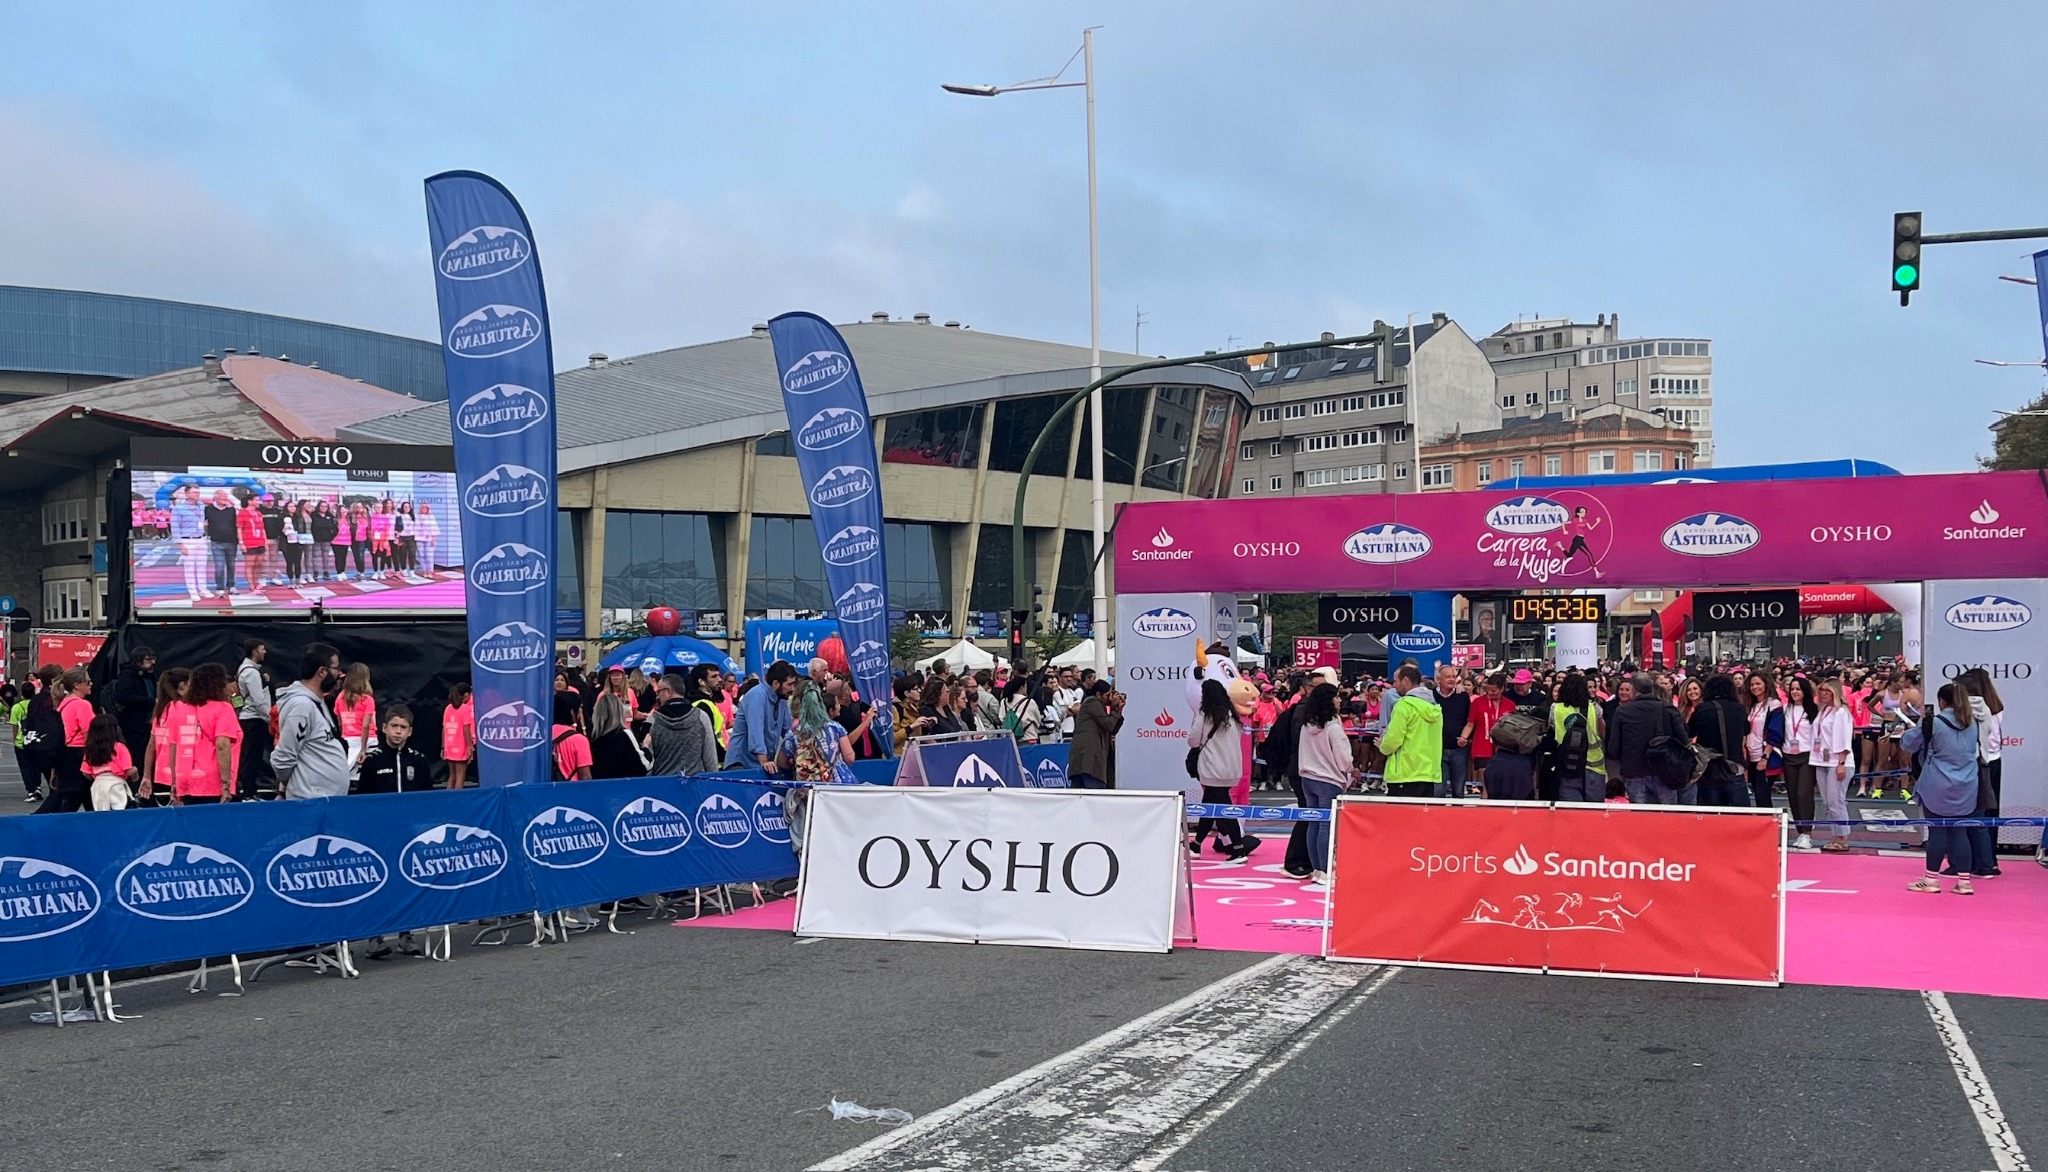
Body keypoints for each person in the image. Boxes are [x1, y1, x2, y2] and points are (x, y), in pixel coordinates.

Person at [1902, 682, 1982, 895]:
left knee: (1937, 830)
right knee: (1960, 831)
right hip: (1967, 783)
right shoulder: (1973, 723)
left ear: (1942, 701)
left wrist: (1917, 727)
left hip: (1937, 782)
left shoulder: (1933, 723)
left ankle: (1931, 879)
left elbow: (1907, 744)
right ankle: (1964, 882)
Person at [1186, 679, 1256, 860]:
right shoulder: (1232, 715)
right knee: (1211, 806)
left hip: (1212, 767)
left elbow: (1193, 740)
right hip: (1232, 768)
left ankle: (1238, 848)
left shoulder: (1205, 714)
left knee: (1223, 808)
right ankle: (1196, 844)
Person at [271, 644, 350, 799]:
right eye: (336, 668)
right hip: (311, 803)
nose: (340, 674)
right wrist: (292, 786)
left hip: (325, 802)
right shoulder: (301, 706)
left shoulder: (317, 702)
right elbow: (284, 756)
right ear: (322, 671)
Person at [1294, 682, 1353, 884]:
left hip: (1308, 778)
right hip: (1329, 780)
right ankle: (1326, 870)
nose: (1339, 700)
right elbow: (1343, 758)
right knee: (1327, 827)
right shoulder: (1333, 728)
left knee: (1314, 824)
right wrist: (1351, 769)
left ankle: (1318, 869)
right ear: (1328, 701)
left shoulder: (1306, 725)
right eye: (1336, 697)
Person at [1606, 673, 1693, 805]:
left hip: (1635, 772)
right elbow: (1684, 740)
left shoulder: (1623, 711)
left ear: (1633, 689)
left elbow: (1613, 749)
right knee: (1667, 818)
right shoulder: (1668, 709)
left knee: (1641, 819)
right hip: (1665, 771)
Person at [1956, 667, 2005, 879]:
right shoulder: (1995, 707)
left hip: (1981, 761)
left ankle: (1980, 860)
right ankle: (1988, 859)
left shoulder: (1980, 710)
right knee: (1988, 812)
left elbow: (1988, 739)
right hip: (1993, 760)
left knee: (1977, 812)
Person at [170, 662, 242, 806]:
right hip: (212, 781)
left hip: (184, 779)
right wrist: (226, 784)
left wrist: (174, 782)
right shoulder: (223, 709)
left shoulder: (179, 709)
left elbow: (173, 746)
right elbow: (222, 745)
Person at [1377, 664, 1443, 798]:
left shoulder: (1403, 706)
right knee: (1422, 818)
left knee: (1400, 818)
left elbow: (1393, 740)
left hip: (1404, 774)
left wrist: (1382, 746)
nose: (1394, 686)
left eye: (1395, 681)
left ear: (1406, 680)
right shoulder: (1435, 708)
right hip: (1428, 774)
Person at [1688, 674, 1751, 807]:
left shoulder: (1702, 709)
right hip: (1734, 764)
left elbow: (1689, 733)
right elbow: (1746, 731)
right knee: (1740, 812)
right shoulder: (1739, 709)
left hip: (1710, 766)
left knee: (1711, 811)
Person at [725, 660, 796, 773]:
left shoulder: (782, 699)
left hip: (761, 763)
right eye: (790, 684)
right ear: (776, 684)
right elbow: (755, 731)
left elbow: (789, 732)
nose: (793, 689)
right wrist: (764, 761)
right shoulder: (757, 696)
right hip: (741, 764)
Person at [1810, 680, 1856, 853]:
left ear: (1835, 692)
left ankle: (1842, 837)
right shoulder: (1824, 710)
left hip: (1837, 761)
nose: (1823, 694)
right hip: (1821, 759)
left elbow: (1844, 738)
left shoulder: (1842, 712)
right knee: (1828, 802)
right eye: (1821, 690)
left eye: (1827, 691)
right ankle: (1835, 835)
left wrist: (1841, 763)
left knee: (1836, 800)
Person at [1548, 671, 1605, 802]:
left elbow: (1552, 728)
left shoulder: (1555, 709)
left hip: (1567, 762)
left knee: (1571, 811)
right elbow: (1602, 732)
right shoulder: (1594, 707)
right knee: (1594, 811)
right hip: (1593, 765)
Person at [649, 672, 719, 775]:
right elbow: (710, 757)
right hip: (695, 784)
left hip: (663, 785)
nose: (657, 697)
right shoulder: (701, 717)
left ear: (668, 691)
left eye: (658, 692)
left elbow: (649, 761)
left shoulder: (653, 721)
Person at [139, 666, 190, 805]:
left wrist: (147, 776)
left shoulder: (161, 710)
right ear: (183, 685)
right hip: (180, 774)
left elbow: (151, 746)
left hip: (160, 774)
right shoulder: (182, 708)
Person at [590, 666, 648, 778]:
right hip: (607, 734)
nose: (615, 677)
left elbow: (634, 714)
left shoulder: (630, 693)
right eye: (613, 675)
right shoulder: (603, 695)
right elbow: (597, 715)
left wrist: (645, 716)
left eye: (618, 674)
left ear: (623, 676)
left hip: (626, 734)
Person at [357, 706, 432, 793]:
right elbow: (363, 797)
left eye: (403, 727)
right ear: (385, 728)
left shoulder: (419, 761)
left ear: (410, 731)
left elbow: (428, 797)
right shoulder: (372, 761)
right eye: (394, 726)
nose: (398, 731)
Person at [1781, 677, 1819, 845]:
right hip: (1788, 755)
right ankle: (1799, 831)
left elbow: (1818, 735)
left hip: (1807, 756)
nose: (1795, 692)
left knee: (1804, 794)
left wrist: (1819, 755)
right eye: (1792, 689)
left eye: (1798, 689)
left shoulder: (1813, 710)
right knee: (1793, 795)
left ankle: (1807, 832)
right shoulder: (1785, 709)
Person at [1742, 669, 1785, 810]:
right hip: (1751, 755)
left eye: (1758, 684)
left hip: (1767, 756)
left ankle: (1768, 826)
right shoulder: (1752, 706)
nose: (1755, 687)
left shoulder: (1774, 704)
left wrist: (1765, 757)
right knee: (1758, 794)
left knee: (1762, 795)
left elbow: (1775, 732)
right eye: (1752, 684)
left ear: (1766, 684)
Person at [1069, 680, 1124, 789]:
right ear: (1098, 694)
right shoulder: (1092, 702)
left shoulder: (1099, 705)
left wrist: (1119, 710)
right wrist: (1113, 708)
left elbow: (1112, 730)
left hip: (1089, 758)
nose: (1109, 698)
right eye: (1107, 695)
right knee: (1094, 793)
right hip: (1088, 758)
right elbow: (1108, 724)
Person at [236, 639, 273, 798]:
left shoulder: (246, 670)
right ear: (254, 651)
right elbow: (258, 700)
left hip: (250, 719)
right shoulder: (250, 672)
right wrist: (270, 719)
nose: (265, 652)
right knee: (251, 758)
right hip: (253, 720)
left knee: (251, 757)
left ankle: (249, 791)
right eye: (262, 649)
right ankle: (248, 793)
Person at [109, 647, 158, 764]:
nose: (153, 663)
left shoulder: (149, 676)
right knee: (137, 755)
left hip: (147, 721)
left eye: (153, 659)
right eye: (148, 659)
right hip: (133, 723)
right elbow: (123, 696)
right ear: (137, 660)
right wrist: (151, 701)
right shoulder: (127, 676)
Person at [82, 712, 138, 811]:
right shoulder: (119, 748)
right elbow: (128, 770)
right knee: (119, 811)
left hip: (97, 786)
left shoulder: (90, 750)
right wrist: (135, 772)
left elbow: (86, 772)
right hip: (116, 784)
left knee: (101, 812)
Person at [1467, 673, 1512, 794]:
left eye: (1494, 690)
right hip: (1483, 744)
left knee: (1501, 778)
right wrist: (1463, 737)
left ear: (1502, 688)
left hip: (1502, 747)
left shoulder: (1510, 705)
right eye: (1488, 690)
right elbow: (1470, 723)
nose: (1490, 693)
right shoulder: (1478, 702)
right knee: (1485, 777)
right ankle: (1485, 798)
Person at [334, 662, 378, 780]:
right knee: (367, 776)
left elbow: (339, 722)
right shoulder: (368, 699)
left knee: (345, 775)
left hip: (348, 740)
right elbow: (366, 725)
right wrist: (363, 749)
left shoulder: (340, 697)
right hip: (367, 741)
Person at [1435, 665, 1472, 800]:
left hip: (1459, 750)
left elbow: (1469, 720)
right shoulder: (1431, 696)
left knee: (1458, 791)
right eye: (1448, 677)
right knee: (1438, 791)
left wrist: (1466, 738)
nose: (1451, 679)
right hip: (1438, 750)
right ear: (1439, 679)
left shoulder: (1462, 696)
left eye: (1453, 676)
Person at [170, 484, 212, 600]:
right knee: (189, 568)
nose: (197, 495)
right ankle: (193, 591)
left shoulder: (202, 506)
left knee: (202, 567)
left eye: (198, 492)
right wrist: (180, 544)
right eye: (194, 492)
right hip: (187, 540)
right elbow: (175, 527)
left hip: (201, 538)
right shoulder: (178, 508)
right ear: (187, 494)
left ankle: (203, 589)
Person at [204, 488, 240, 595]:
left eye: (226, 496)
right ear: (216, 498)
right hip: (217, 542)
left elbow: (236, 525)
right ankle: (220, 587)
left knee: (231, 565)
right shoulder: (208, 509)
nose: (225, 499)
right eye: (223, 497)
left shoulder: (231, 510)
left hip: (232, 542)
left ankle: (231, 586)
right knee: (219, 566)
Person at [551, 692, 595, 780]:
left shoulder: (544, 734)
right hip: (571, 790)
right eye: (580, 708)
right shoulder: (579, 740)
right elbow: (585, 776)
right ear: (572, 712)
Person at [442, 682, 475, 789]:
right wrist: (470, 747)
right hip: (461, 747)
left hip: (449, 747)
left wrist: (443, 747)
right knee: (460, 776)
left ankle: (448, 799)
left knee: (452, 775)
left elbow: (444, 729)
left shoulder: (448, 708)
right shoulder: (466, 709)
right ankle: (457, 801)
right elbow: (466, 729)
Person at [1000, 676, 1046, 744]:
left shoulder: (1004, 701)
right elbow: (1037, 719)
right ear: (1022, 688)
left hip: (1011, 739)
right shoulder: (1029, 702)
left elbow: (1001, 718)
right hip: (1028, 737)